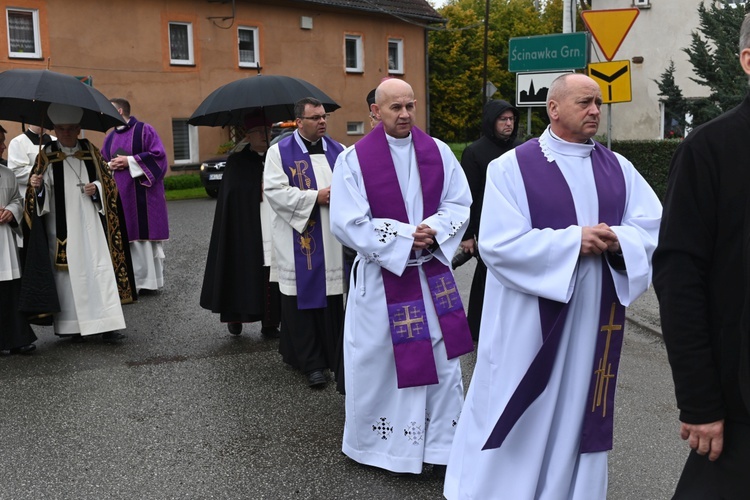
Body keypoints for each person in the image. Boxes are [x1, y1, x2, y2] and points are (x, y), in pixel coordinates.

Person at [443, 73, 662, 499]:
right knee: (525, 406)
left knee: (581, 403)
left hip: (594, 319)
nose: (595, 110)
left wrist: (621, 240)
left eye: (598, 102)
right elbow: (497, 244)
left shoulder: (619, 168)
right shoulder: (512, 167)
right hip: (531, 324)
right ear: (554, 108)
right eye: (584, 102)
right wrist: (571, 241)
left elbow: (650, 226)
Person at [329, 78, 474, 474]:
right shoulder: (354, 160)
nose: (406, 114)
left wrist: (437, 230)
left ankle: (441, 447)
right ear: (375, 111)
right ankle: (383, 448)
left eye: (410, 105)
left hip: (430, 276)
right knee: (382, 362)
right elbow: (347, 222)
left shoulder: (439, 152)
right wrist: (405, 236)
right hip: (382, 279)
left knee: (442, 361)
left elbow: (459, 202)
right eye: (395, 107)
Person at [652, 14, 750, 498]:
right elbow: (679, 279)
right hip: (738, 405)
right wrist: (700, 401)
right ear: (748, 61)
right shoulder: (709, 151)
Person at [26, 103, 133, 343]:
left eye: (71, 128)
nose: (66, 133)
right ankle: (72, 326)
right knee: (68, 277)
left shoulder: (91, 150)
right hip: (62, 228)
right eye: (61, 128)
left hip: (92, 225)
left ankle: (108, 324)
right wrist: (39, 186)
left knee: (99, 270)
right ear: (54, 129)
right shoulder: (46, 155)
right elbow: (37, 201)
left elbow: (109, 185)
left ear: (78, 129)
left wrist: (96, 189)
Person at [263, 97, 345, 390]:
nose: (322, 121)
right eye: (315, 118)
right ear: (299, 122)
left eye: (324, 117)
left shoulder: (340, 152)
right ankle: (311, 364)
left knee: (334, 302)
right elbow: (274, 191)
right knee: (303, 304)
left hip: (333, 243)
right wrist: (316, 198)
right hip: (300, 239)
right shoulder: (279, 152)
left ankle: (337, 361)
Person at [200, 112, 281, 337]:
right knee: (239, 268)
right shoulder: (238, 159)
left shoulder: (276, 157)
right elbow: (233, 193)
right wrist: (257, 188)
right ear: (249, 135)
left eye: (270, 131)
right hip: (244, 226)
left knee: (270, 271)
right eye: (261, 132)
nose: (267, 135)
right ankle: (236, 317)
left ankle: (270, 322)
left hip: (272, 223)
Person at [456, 99, 522, 341]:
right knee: (486, 277)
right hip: (487, 225)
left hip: (518, 224)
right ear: (491, 121)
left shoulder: (521, 149)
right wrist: (466, 235)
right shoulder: (475, 152)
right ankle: (477, 327)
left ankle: (512, 327)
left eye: (511, 119)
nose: (508, 123)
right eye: (503, 119)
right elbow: (467, 196)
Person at [102, 98, 169, 293]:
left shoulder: (144, 130)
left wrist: (129, 161)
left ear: (121, 110)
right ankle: (129, 282)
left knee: (143, 240)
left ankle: (149, 283)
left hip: (144, 197)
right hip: (121, 196)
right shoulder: (110, 137)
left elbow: (160, 157)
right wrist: (110, 165)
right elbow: (102, 161)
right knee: (126, 237)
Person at [0, 124, 37, 355]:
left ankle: (16, 338)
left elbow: (16, 199)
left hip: (5, 242)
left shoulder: (6, 173)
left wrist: (12, 211)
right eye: (0, 143)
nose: (4, 147)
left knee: (9, 291)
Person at [6, 125, 55, 246]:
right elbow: (15, 171)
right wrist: (35, 173)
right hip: (29, 199)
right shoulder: (18, 142)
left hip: (52, 196)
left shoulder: (55, 142)